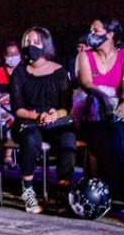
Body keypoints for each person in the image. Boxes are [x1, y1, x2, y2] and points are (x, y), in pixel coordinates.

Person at [9, 28, 77, 214]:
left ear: (45, 45)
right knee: (31, 139)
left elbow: (66, 107)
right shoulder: (20, 73)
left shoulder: (59, 71)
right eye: (27, 42)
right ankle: (28, 189)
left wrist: (55, 114)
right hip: (28, 121)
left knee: (68, 139)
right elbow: (18, 109)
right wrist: (36, 116)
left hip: (54, 120)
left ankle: (63, 190)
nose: (31, 46)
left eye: (36, 42)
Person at [75, 19, 124, 197]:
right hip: (92, 113)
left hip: (117, 113)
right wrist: (102, 97)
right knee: (104, 134)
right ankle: (117, 187)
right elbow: (86, 83)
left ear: (110, 34)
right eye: (91, 31)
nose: (91, 35)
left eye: (96, 31)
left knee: (122, 134)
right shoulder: (84, 56)